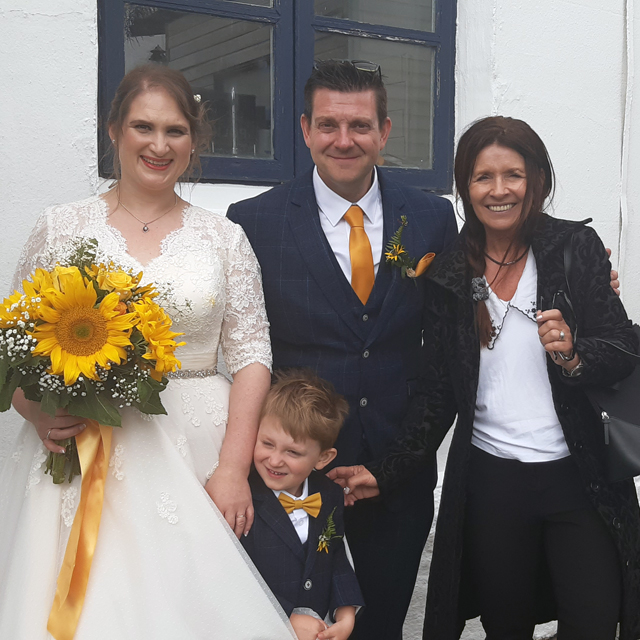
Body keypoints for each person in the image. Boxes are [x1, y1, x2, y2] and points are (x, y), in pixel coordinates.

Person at [0, 64, 296, 639]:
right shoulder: (60, 227)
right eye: (143, 127)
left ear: (194, 140)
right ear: (114, 131)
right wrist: (34, 409)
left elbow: (254, 354)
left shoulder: (223, 237)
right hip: (80, 444)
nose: (159, 145)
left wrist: (234, 467)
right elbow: (11, 339)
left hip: (197, 447)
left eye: (175, 131)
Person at [330, 116, 640, 639]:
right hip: (493, 484)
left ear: (536, 180)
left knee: (593, 623)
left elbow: (621, 346)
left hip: (580, 478)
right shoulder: (451, 271)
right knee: (505, 626)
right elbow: (437, 391)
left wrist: (572, 354)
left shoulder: (575, 248)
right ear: (464, 186)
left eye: (513, 175)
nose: (499, 191)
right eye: (482, 177)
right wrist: (386, 470)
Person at [227, 59, 458, 639]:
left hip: (393, 478)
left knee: (379, 625)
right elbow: (240, 347)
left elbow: (446, 355)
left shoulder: (432, 218)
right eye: (328, 125)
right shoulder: (252, 222)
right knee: (290, 627)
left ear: (384, 132)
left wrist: (395, 466)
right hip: (289, 478)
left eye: (359, 125)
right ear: (305, 130)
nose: (343, 140)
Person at [241, 369, 364, 640]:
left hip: (317, 628)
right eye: (267, 444)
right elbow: (236, 575)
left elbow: (335, 557)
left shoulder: (329, 495)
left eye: (292, 452)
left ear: (322, 458)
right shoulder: (244, 497)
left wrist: (346, 613)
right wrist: (287, 617)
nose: (274, 460)